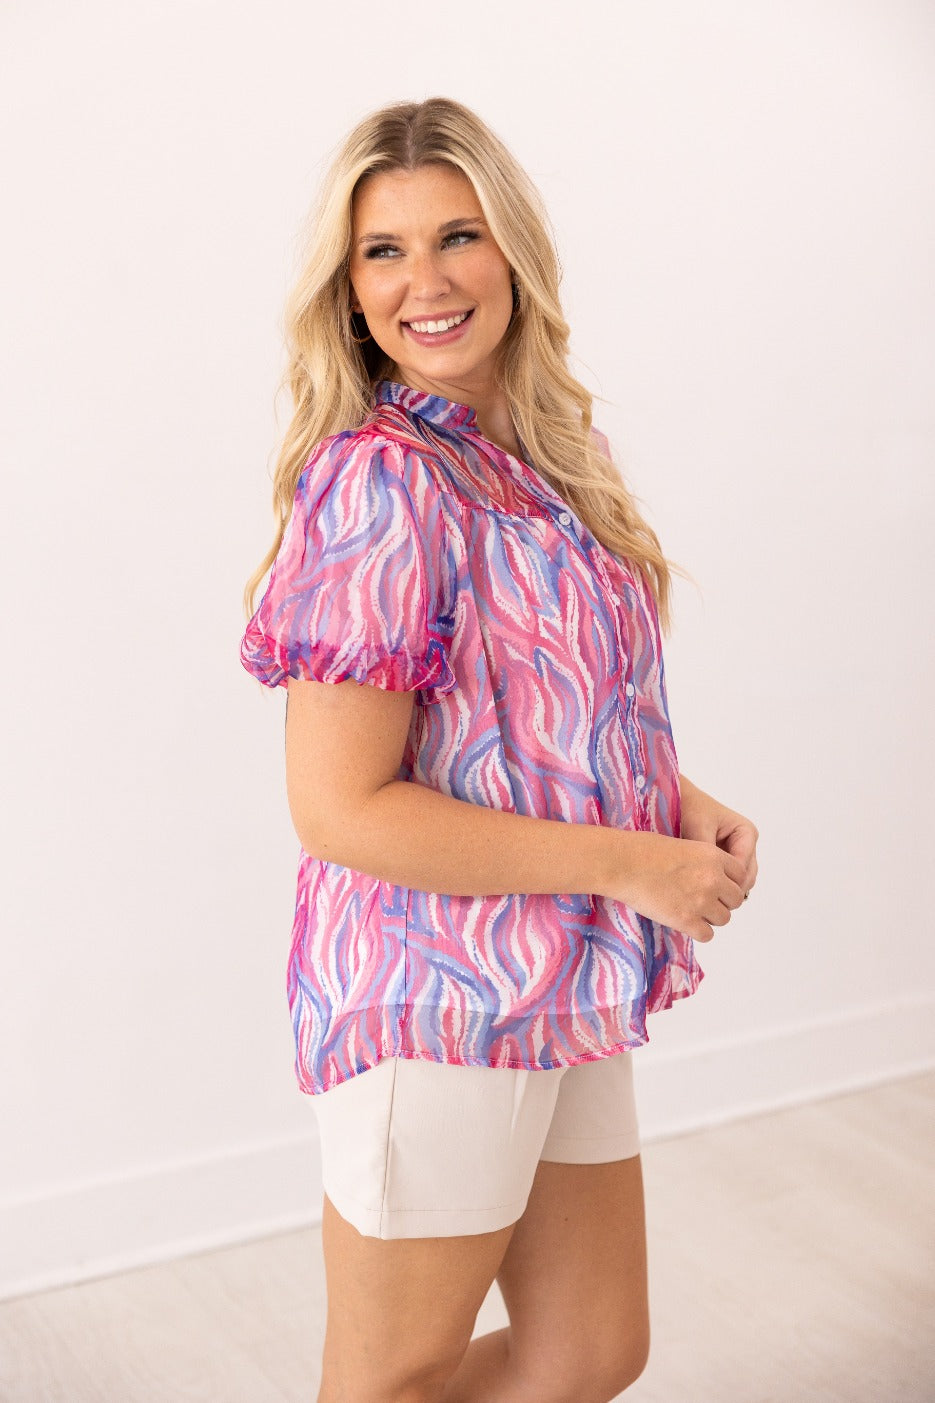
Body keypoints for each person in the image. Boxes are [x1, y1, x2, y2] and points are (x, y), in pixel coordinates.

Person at [240, 96, 759, 1403]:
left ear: (514, 250)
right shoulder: (380, 483)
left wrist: (675, 804)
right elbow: (340, 807)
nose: (426, 281)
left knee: (589, 1351)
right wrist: (632, 865)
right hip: (434, 991)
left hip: (559, 970)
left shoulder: (549, 455)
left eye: (457, 235)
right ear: (349, 290)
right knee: (391, 1380)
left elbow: (536, 717)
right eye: (385, 251)